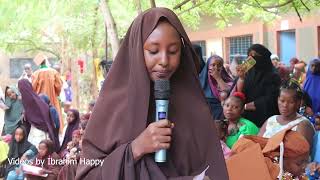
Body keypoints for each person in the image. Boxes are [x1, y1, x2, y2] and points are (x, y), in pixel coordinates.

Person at [76, 8, 228, 180]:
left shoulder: (194, 108)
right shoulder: (113, 106)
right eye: (153, 51)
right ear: (137, 51)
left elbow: (212, 169)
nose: (164, 61)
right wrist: (135, 149)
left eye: (172, 51)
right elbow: (89, 174)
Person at [259, 80, 315, 147]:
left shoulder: (303, 125)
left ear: (298, 103)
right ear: (278, 99)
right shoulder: (271, 120)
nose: (285, 105)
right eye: (282, 101)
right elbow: (257, 142)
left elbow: (301, 154)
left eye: (291, 102)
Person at [237, 44, 281, 127]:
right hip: (246, 118)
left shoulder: (273, 75)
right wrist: (241, 78)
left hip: (265, 118)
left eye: (254, 56)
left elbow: (270, 99)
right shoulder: (248, 72)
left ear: (264, 57)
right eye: (249, 56)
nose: (251, 59)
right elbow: (239, 92)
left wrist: (246, 106)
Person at [18, 79, 60, 151]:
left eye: (20, 89)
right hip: (38, 131)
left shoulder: (31, 100)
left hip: (39, 133)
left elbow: (39, 117)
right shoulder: (34, 100)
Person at [32, 53, 63, 132]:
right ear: (46, 61)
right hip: (52, 100)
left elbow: (33, 88)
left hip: (40, 101)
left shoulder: (36, 74)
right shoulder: (54, 72)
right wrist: (56, 94)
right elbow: (59, 86)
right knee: (54, 118)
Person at [199, 55, 233, 119]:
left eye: (219, 65)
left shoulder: (228, 80)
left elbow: (229, 91)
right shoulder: (200, 81)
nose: (216, 68)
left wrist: (218, 78)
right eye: (213, 65)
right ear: (208, 67)